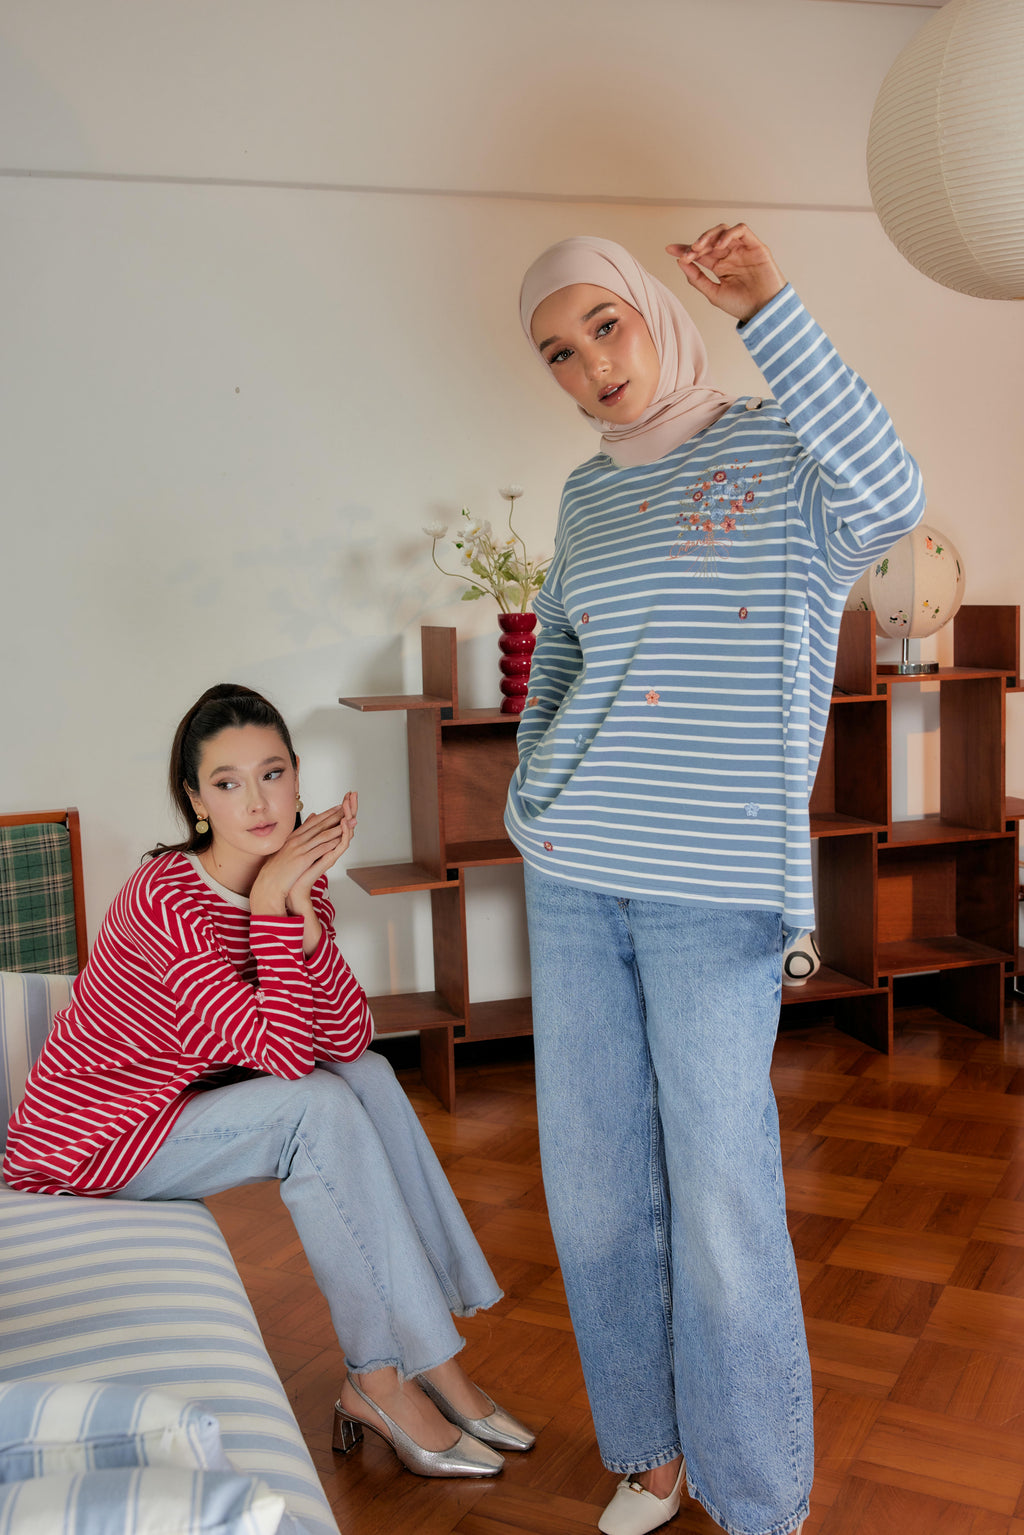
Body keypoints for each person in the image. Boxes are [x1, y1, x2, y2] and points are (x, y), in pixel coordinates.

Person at [505, 225, 925, 1535]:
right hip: (575, 875)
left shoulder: (779, 451)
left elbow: (895, 493)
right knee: (590, 1181)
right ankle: (650, 1450)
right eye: (559, 353)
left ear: (650, 311)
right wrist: (535, 797)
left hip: (713, 894)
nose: (590, 367)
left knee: (723, 1191)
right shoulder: (585, 496)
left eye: (604, 327)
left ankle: (757, 1494)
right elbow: (564, 658)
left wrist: (772, 306)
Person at [4, 683, 534, 1478]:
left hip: (180, 1103)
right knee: (313, 1108)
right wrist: (269, 906)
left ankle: (432, 1364)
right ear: (195, 800)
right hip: (93, 1143)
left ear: (297, 776)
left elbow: (347, 1035)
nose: (257, 800)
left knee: (369, 1074)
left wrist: (302, 915)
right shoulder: (165, 902)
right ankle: (387, 1376)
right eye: (227, 782)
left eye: (273, 772)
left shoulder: (291, 876)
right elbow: (285, 1058)